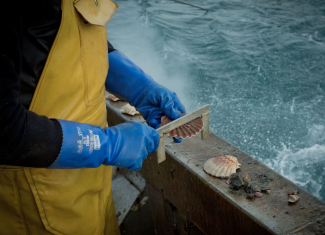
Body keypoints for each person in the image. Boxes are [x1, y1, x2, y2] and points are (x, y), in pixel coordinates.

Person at [0, 0, 186, 234]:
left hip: (93, 186)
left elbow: (65, 37)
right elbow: (3, 127)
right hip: (36, 204)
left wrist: (138, 86)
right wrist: (107, 145)